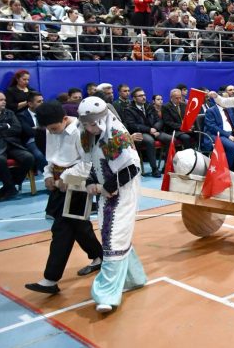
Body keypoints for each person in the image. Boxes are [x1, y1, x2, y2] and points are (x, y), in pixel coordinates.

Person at [74, 97, 146, 313]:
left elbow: (131, 167)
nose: (91, 128)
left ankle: (106, 293)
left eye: (94, 123)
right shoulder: (88, 136)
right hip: (106, 192)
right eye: (86, 124)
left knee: (114, 236)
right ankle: (135, 277)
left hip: (122, 191)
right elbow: (91, 163)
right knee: (112, 234)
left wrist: (108, 187)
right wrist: (90, 182)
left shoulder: (116, 135)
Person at [24, 102, 103, 295]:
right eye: (49, 129)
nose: (52, 132)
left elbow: (86, 165)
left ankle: (50, 279)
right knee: (78, 227)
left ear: (64, 119)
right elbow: (51, 158)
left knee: (62, 229)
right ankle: (100, 257)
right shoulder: (50, 130)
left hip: (78, 182)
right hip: (60, 181)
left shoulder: (81, 131)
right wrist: (48, 176)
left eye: (54, 128)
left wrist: (63, 180)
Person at [122, 87, 172, 177]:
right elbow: (132, 125)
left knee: (169, 139)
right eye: (140, 96)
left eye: (144, 95)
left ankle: (166, 166)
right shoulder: (129, 109)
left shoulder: (149, 106)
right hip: (141, 133)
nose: (144, 97)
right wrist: (149, 130)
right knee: (150, 141)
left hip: (154, 130)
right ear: (134, 98)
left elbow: (159, 120)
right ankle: (154, 169)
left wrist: (155, 129)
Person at [202, 89, 234, 172]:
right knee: (232, 146)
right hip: (217, 135)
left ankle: (233, 163)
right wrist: (228, 135)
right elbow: (212, 127)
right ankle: (226, 170)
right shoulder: (210, 111)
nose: (227, 101)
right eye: (225, 99)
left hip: (232, 133)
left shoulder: (230, 109)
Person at [17, 91, 48, 176]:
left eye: (42, 101)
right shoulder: (21, 116)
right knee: (39, 155)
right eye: (39, 101)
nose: (42, 103)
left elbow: (52, 128)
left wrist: (38, 128)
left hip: (48, 139)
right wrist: (43, 129)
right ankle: (49, 177)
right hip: (31, 141)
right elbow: (29, 132)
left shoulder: (46, 113)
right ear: (30, 104)